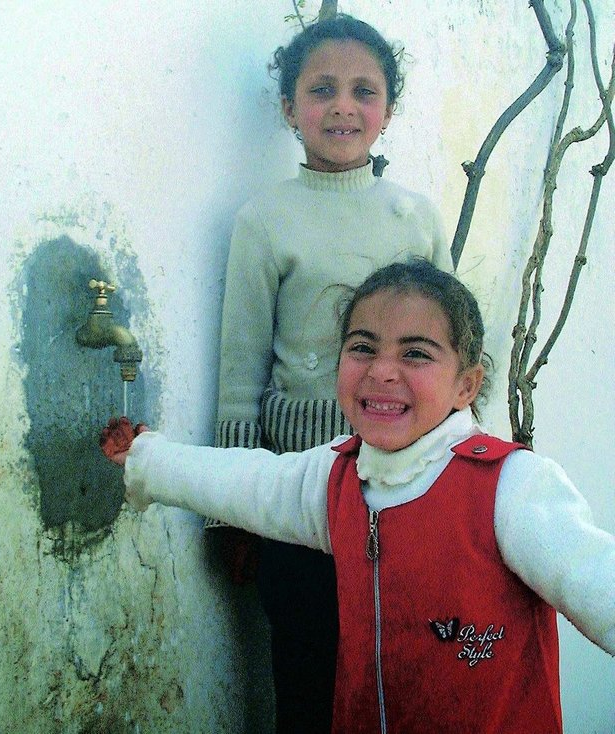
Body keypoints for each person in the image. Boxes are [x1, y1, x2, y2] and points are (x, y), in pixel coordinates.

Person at [102, 259, 615, 734]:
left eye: (415, 352)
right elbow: (249, 483)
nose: (382, 370)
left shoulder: (512, 486)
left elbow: (599, 584)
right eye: (363, 347)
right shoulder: (338, 476)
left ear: (466, 386)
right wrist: (150, 459)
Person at [211, 13, 452, 731]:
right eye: (321, 89)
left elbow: (446, 353)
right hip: (300, 489)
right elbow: (239, 365)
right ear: (289, 109)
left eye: (363, 90)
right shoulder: (265, 221)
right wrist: (233, 508)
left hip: (400, 482)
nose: (342, 106)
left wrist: (465, 467)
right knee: (309, 662)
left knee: (398, 661)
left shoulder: (415, 219)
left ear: (388, 108)